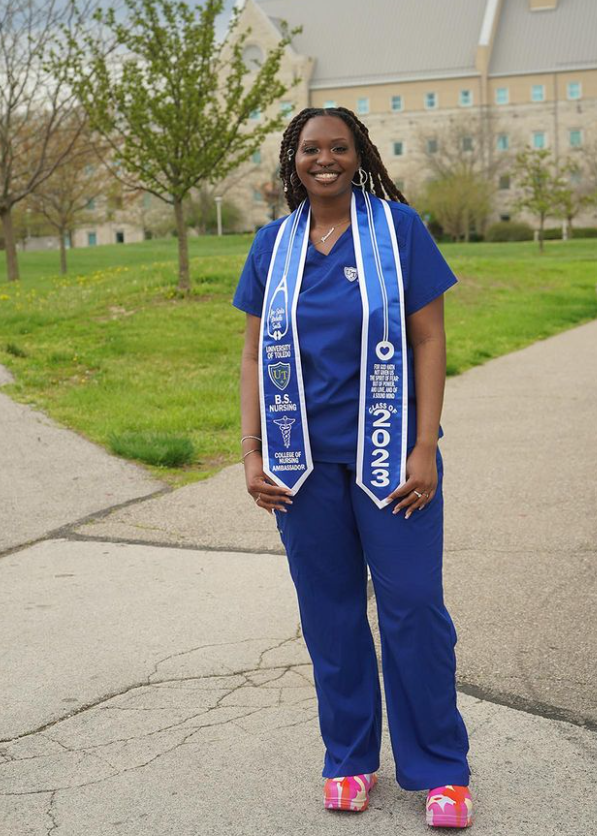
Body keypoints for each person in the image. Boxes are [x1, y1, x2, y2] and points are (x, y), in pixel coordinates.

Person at [232, 106, 473, 829]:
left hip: (390, 457)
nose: (324, 159)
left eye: (338, 147)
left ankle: (439, 768)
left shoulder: (397, 231)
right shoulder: (271, 246)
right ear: (292, 160)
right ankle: (348, 760)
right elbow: (250, 354)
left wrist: (424, 444)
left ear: (358, 154)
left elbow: (428, 339)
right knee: (329, 617)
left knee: (413, 608)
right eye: (311, 149)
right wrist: (247, 452)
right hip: (299, 465)